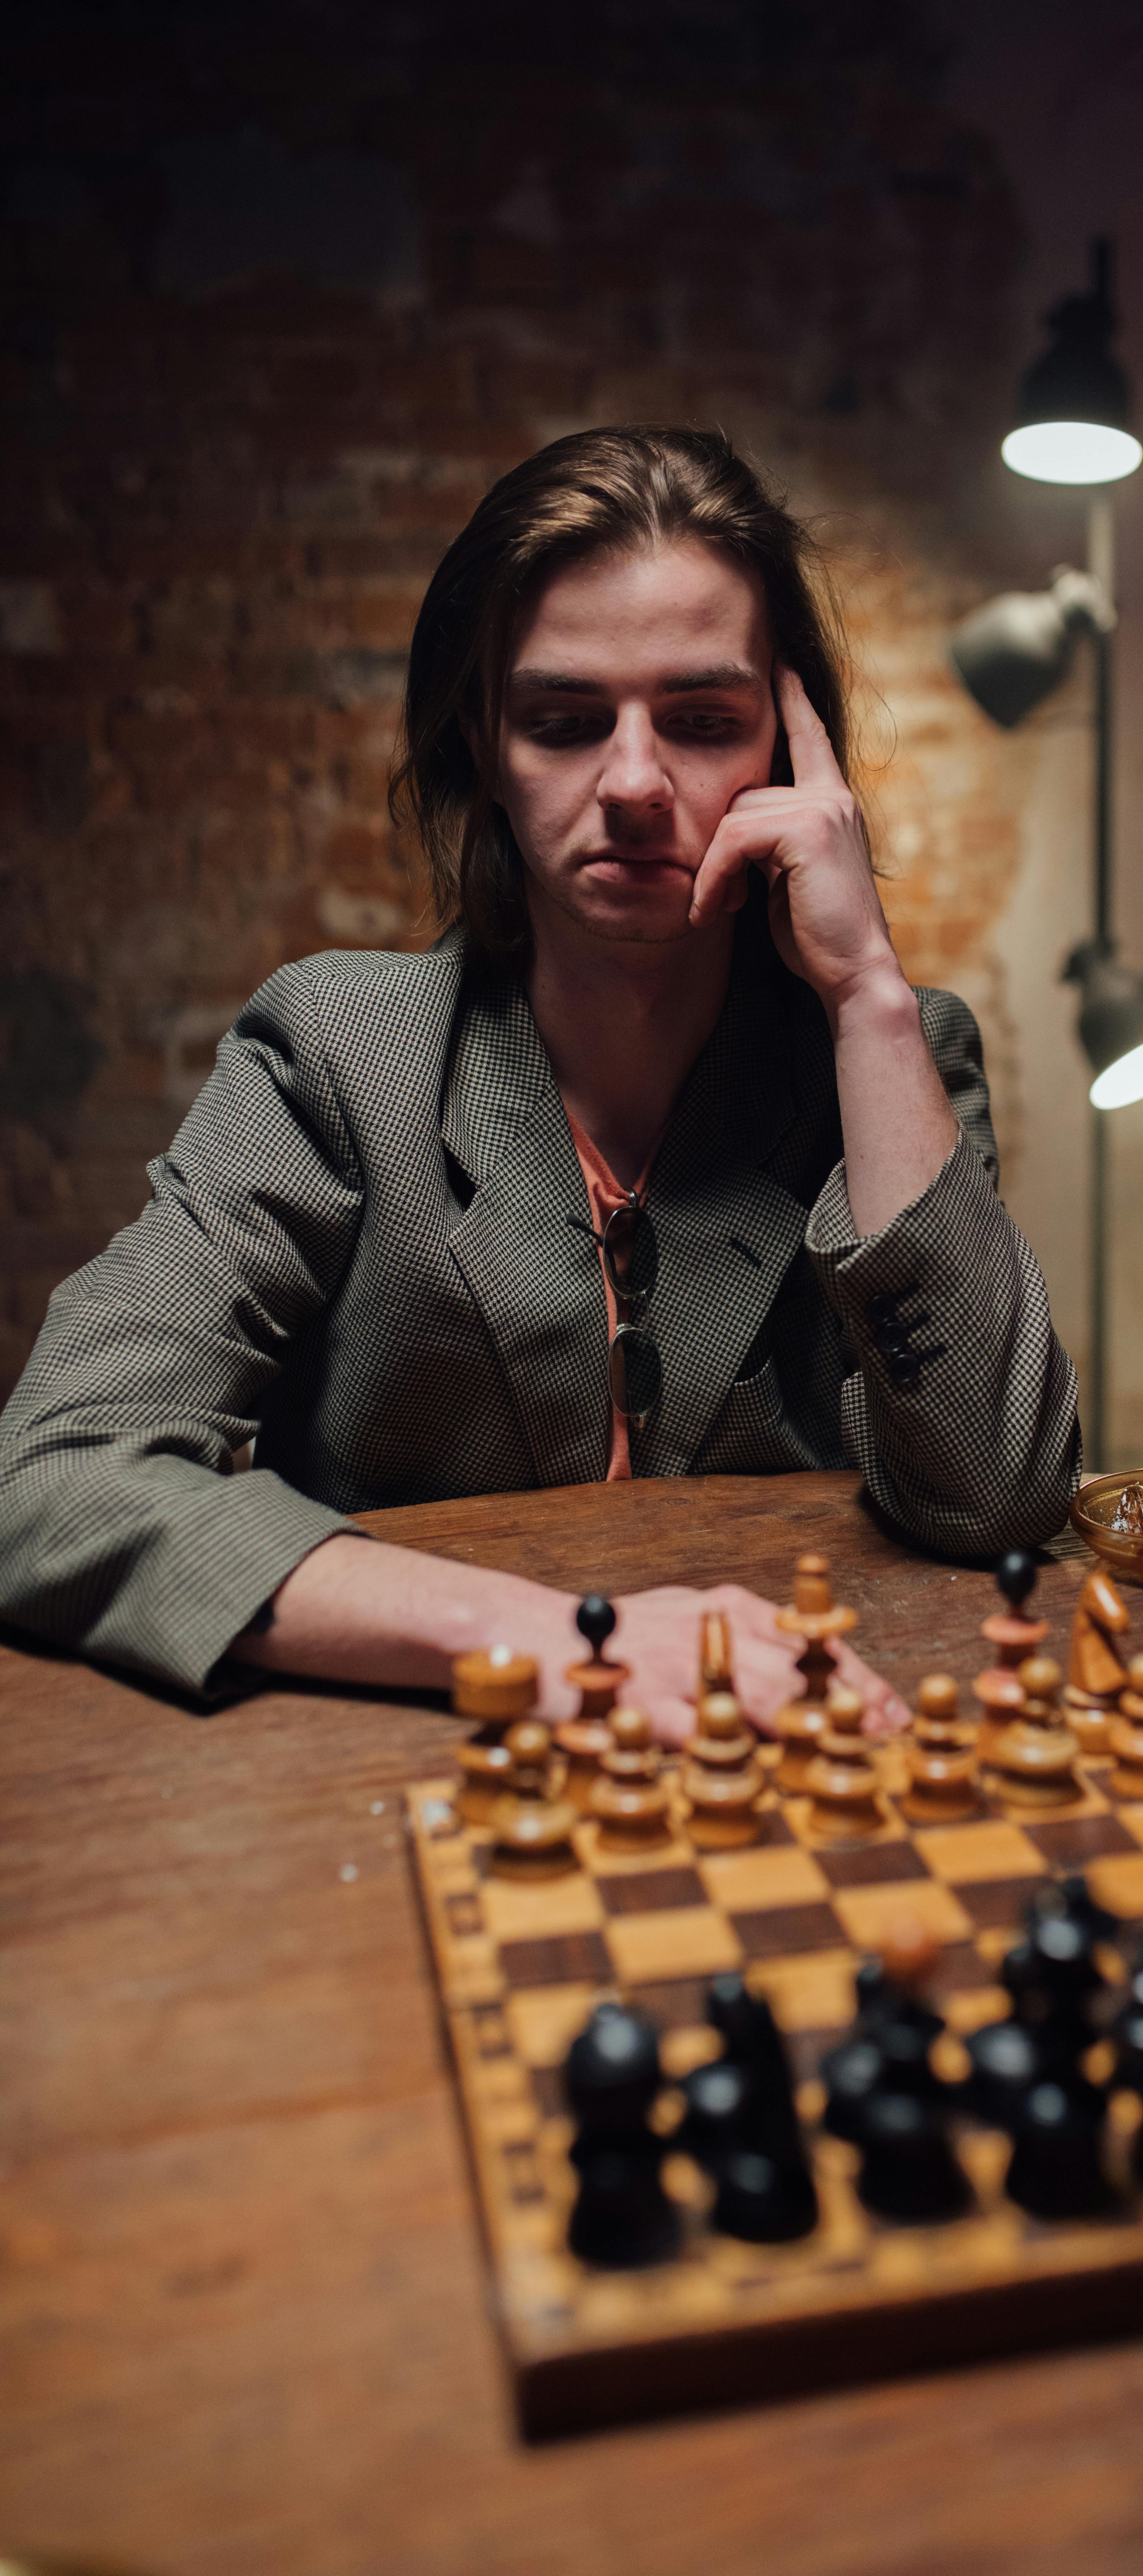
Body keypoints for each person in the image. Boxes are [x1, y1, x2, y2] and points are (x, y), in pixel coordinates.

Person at [0, 428, 1079, 1726]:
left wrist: (868, 997)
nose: (633, 783)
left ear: (791, 757)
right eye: (566, 723)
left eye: (703, 721)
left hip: (800, 1753)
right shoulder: (336, 1056)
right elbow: (53, 1472)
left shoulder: (893, 1056)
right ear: (486, 747)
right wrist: (570, 1640)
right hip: (423, 1777)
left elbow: (998, 1496)